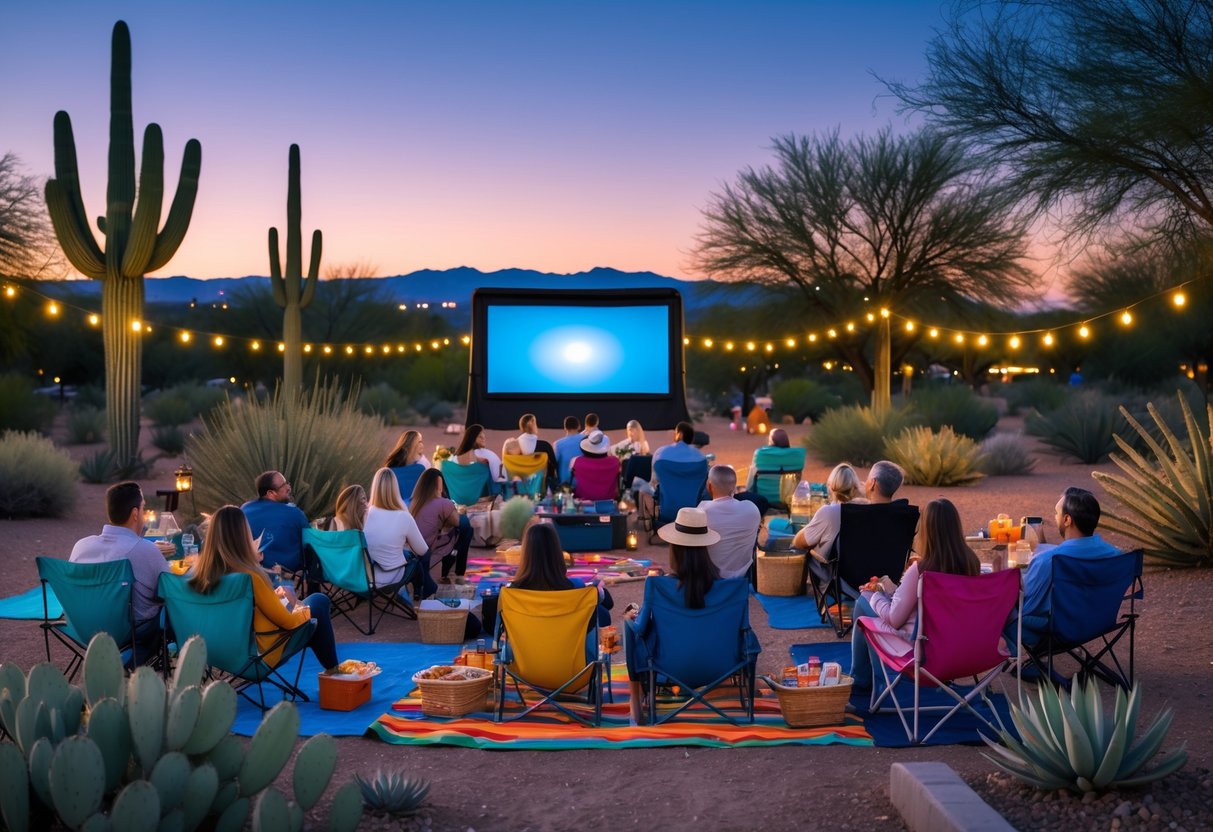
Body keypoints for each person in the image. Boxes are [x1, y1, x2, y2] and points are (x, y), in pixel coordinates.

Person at [850, 498, 981, 690]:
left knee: (863, 601)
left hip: (922, 652)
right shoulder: (972, 564)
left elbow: (895, 620)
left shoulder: (921, 570)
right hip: (960, 648)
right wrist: (894, 592)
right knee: (876, 600)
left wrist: (876, 594)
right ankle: (863, 678)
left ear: (927, 531)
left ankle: (862, 680)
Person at [189, 505, 339, 673]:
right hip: (259, 655)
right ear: (243, 536)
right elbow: (289, 623)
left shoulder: (200, 575)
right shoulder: (249, 576)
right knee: (318, 602)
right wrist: (300, 607)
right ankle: (334, 671)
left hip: (219, 653)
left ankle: (332, 668)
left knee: (307, 612)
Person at [623, 507, 722, 722]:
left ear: (674, 548)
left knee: (629, 626)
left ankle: (635, 705)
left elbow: (640, 630)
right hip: (719, 666)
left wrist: (631, 619)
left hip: (668, 667)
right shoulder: (725, 587)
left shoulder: (658, 585)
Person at [69, 481, 171, 667]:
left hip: (83, 630)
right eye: (143, 508)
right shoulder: (145, 551)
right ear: (135, 513)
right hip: (132, 635)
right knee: (171, 611)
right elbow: (170, 590)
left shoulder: (81, 546)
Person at [1018, 487, 1121, 644]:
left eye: (1056, 513)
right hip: (1098, 622)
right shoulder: (1116, 555)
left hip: (1058, 629)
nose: (1055, 517)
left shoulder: (1048, 561)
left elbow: (1025, 606)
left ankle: (1026, 668)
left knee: (1005, 615)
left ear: (1067, 520)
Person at [511, 522, 614, 627]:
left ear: (525, 555)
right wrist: (598, 591)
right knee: (601, 609)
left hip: (524, 642)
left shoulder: (511, 593)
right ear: (557, 553)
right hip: (568, 642)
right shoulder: (575, 586)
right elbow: (607, 612)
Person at [792, 461, 889, 562]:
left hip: (833, 574)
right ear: (856, 486)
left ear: (830, 487)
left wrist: (808, 528)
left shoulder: (829, 512)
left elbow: (798, 543)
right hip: (865, 571)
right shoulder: (871, 510)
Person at [364, 468, 434, 599]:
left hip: (366, 577)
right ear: (395, 489)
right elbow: (422, 550)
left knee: (403, 554)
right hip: (392, 577)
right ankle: (422, 589)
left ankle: (415, 590)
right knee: (415, 557)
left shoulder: (363, 515)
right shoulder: (403, 517)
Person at [409, 468, 473, 583]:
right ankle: (459, 572)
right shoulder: (443, 503)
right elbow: (457, 522)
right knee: (466, 526)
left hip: (415, 556)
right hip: (432, 557)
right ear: (439, 487)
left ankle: (455, 568)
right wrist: (461, 512)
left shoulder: (413, 503)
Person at [697, 465, 761, 580]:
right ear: (734, 487)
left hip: (708, 578)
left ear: (709, 486)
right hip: (742, 578)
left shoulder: (701, 512)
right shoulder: (751, 509)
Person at [240, 470, 309, 572]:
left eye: (287, 483)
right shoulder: (294, 513)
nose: (289, 488)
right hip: (284, 574)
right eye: (284, 485)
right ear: (271, 493)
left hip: (249, 571)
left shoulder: (244, 509)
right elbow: (309, 540)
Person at [649, 421, 706, 489]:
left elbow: (654, 480)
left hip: (666, 498)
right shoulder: (701, 458)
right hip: (692, 498)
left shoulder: (660, 453)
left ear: (680, 435)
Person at [569, 430, 620, 501]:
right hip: (608, 504)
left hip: (582, 504)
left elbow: (571, 480)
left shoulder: (575, 461)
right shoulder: (615, 462)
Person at [517, 413, 559, 488]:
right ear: (534, 426)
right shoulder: (544, 446)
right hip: (542, 485)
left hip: (522, 485)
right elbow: (554, 465)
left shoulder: (515, 446)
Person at [553, 415, 584, 484]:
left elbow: (554, 463)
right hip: (584, 483)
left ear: (565, 428)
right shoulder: (586, 440)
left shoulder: (558, 444)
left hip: (566, 485)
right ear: (578, 426)